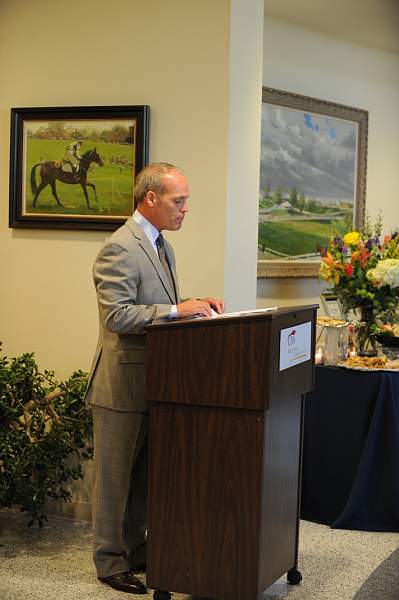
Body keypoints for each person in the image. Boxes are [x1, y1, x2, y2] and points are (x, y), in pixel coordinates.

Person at [85, 162, 225, 595]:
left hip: (158, 381)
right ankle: (109, 563)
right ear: (151, 199)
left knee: (145, 475)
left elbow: (156, 303)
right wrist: (178, 310)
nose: (185, 210)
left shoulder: (162, 244)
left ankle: (135, 547)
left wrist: (192, 303)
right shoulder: (120, 247)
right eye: (178, 201)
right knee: (115, 479)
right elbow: (117, 315)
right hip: (121, 384)